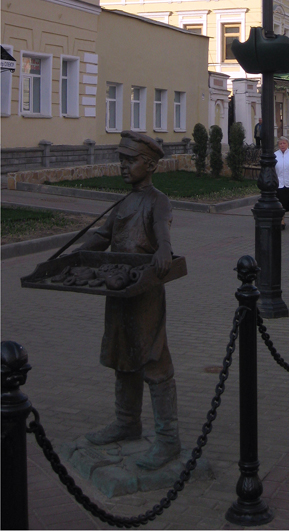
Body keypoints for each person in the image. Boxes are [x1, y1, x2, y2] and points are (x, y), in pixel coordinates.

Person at [73, 130, 180, 470]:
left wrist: (164, 250)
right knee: (122, 354)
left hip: (144, 290)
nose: (123, 166)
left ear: (149, 165)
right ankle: (127, 422)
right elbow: (103, 236)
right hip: (118, 288)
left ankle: (167, 440)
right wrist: (75, 255)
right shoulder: (122, 202)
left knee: (152, 358)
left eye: (130, 161)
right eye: (121, 160)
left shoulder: (156, 200)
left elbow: (163, 231)